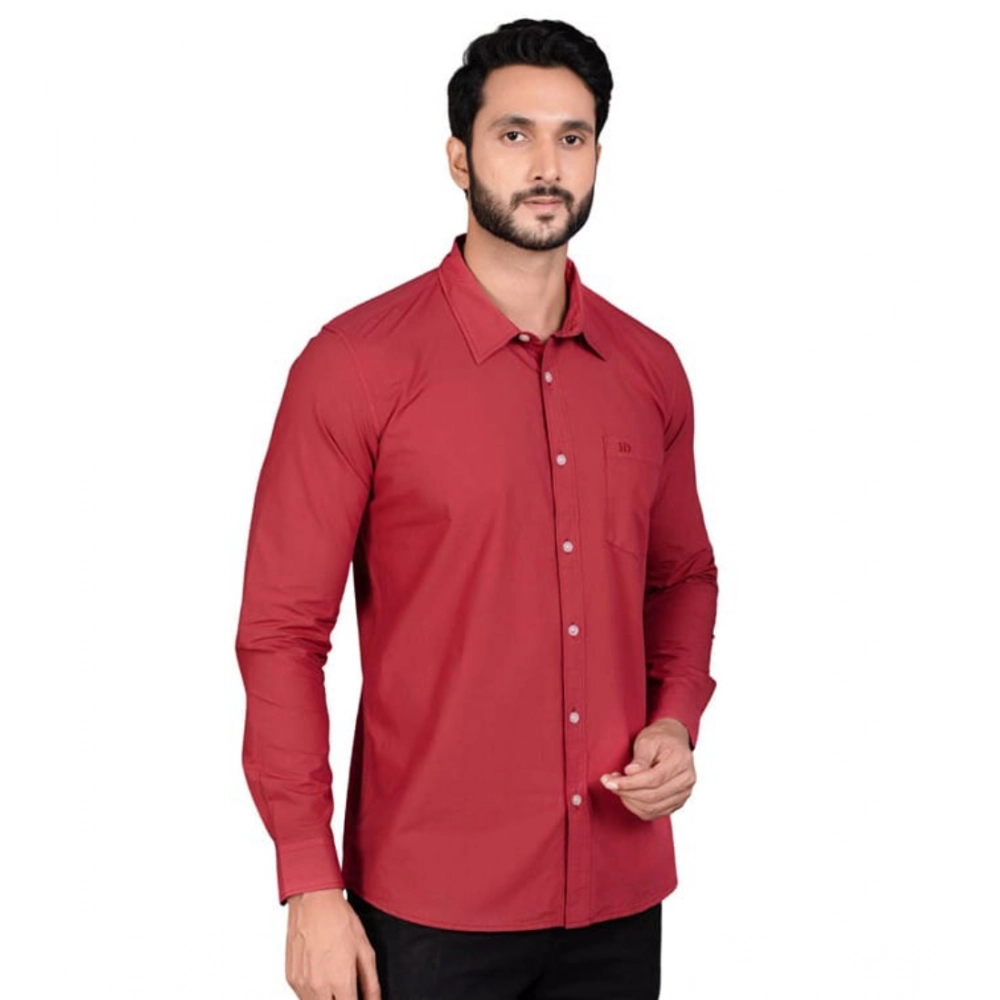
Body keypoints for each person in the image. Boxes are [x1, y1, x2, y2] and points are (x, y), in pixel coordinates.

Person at [235, 17, 719, 1000]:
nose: (546, 165)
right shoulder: (356, 366)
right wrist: (310, 883)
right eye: (514, 134)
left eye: (572, 136)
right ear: (459, 157)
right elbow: (282, 634)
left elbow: (681, 577)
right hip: (429, 909)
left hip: (619, 895)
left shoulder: (649, 369)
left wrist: (674, 720)